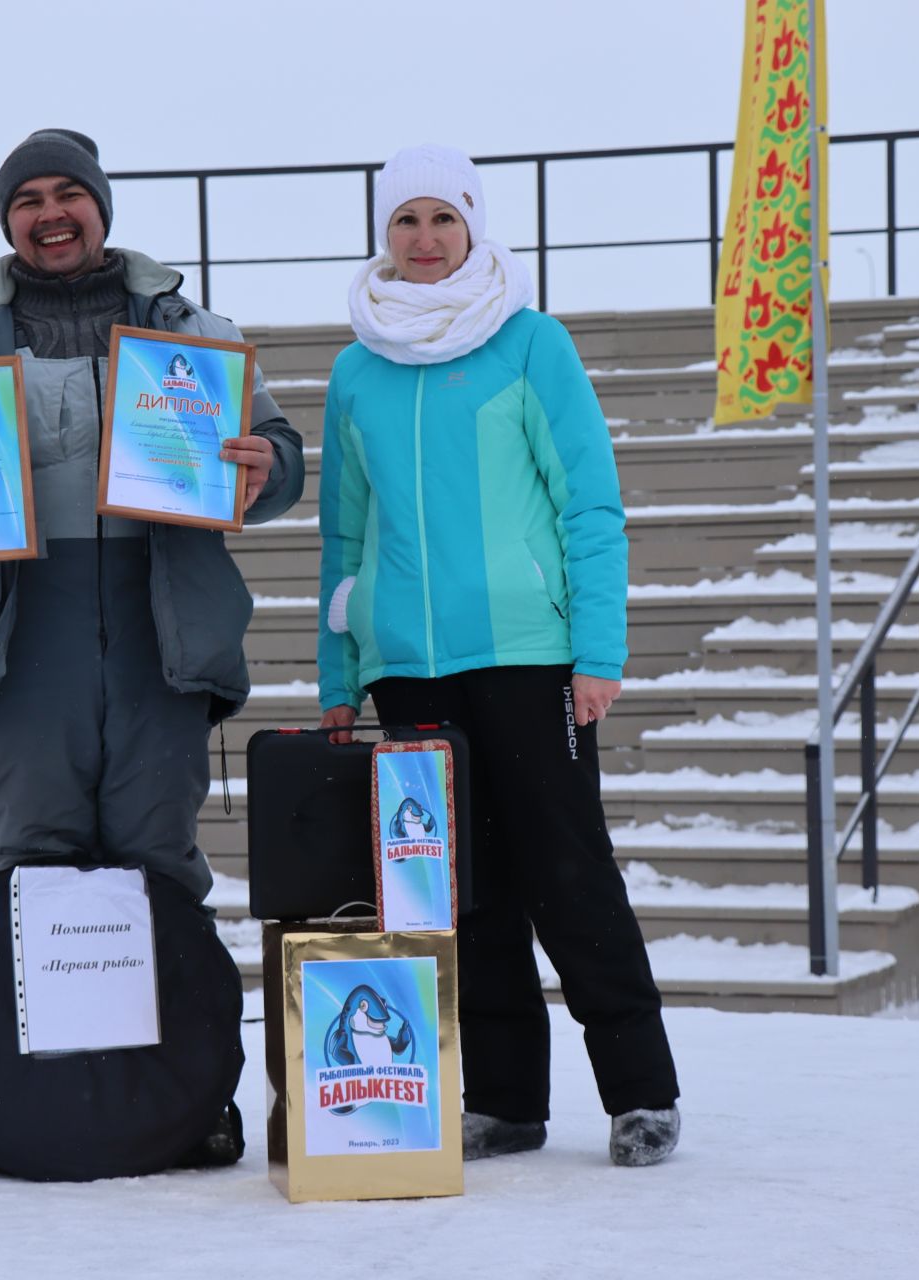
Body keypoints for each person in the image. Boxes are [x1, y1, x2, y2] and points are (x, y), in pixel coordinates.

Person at [0, 128, 305, 1168]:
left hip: (161, 630)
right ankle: (44, 1096)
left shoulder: (191, 329)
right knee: (37, 874)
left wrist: (259, 467)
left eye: (70, 195)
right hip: (21, 640)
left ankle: (189, 1098)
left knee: (159, 869)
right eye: (29, 200)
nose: (52, 213)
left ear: (102, 208)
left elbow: (279, 456)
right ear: (6, 220)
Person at [316, 144, 681, 1167]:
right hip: (406, 666)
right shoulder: (358, 365)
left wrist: (597, 652)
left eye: (443, 219)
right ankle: (508, 1102)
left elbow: (590, 506)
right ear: (383, 235)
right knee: (457, 886)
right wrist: (338, 678)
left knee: (568, 872)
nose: (424, 240)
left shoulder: (530, 345)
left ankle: (641, 1090)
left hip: (529, 656)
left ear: (474, 226)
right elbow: (342, 539)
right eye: (406, 221)